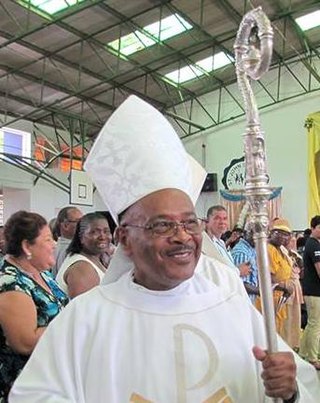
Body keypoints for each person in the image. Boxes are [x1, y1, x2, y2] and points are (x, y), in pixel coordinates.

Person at [10, 96, 319, 402]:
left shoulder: (228, 303)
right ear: (125, 239)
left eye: (189, 223)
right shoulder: (86, 318)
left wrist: (290, 392)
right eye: (162, 225)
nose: (182, 236)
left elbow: (294, 385)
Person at [0, 210, 68, 401]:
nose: (54, 244)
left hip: (51, 379)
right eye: (47, 239)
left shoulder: (42, 272)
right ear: (26, 246)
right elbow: (25, 342)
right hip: (25, 384)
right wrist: (71, 323)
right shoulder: (10, 283)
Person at [56, 213, 114, 298]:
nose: (102, 236)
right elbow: (84, 309)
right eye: (94, 232)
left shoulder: (93, 259)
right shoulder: (82, 268)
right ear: (81, 237)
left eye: (106, 231)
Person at [206, 206, 251, 277]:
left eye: (225, 218)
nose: (222, 222)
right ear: (207, 221)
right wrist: (238, 271)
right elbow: (216, 272)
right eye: (217, 218)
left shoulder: (221, 242)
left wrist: (229, 242)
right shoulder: (207, 243)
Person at [300, 215, 320, 370]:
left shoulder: (314, 243)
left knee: (311, 324)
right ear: (313, 228)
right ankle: (313, 358)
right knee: (315, 324)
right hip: (314, 291)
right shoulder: (313, 245)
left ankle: (305, 353)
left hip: (312, 290)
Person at [51, 206, 83, 277]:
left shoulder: (55, 246)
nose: (83, 225)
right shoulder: (72, 250)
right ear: (65, 225)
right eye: (79, 221)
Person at [231, 228, 259, 303]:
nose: (256, 237)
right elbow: (242, 284)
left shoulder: (252, 249)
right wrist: (261, 291)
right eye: (253, 233)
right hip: (243, 302)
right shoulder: (242, 253)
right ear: (245, 233)